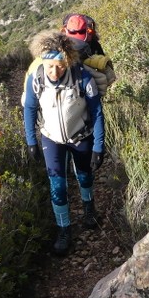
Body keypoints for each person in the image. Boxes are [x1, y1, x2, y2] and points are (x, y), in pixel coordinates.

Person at [23, 30, 105, 255]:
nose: (54, 71)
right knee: (57, 185)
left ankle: (89, 211)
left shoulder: (82, 78)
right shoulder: (36, 78)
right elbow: (29, 109)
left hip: (81, 135)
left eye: (60, 65)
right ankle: (64, 229)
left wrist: (98, 145)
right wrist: (31, 141)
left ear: (67, 61)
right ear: (42, 62)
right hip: (51, 138)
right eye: (50, 66)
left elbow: (97, 112)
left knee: (85, 176)